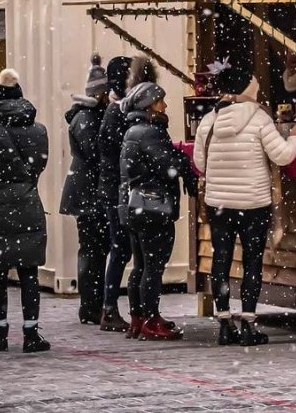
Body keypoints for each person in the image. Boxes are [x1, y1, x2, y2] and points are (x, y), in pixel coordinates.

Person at [194, 66, 296, 346]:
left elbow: (199, 163)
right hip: (253, 204)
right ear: (246, 89)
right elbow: (283, 156)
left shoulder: (210, 120)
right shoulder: (260, 120)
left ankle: (224, 322)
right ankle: (249, 324)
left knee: (221, 260)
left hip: (219, 203)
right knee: (252, 262)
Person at [0, 69, 50, 353]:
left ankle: (0, 334)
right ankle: (31, 335)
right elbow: (40, 164)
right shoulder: (39, 130)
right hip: (28, 204)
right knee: (29, 272)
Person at [120, 80, 196, 341]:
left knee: (140, 265)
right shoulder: (150, 132)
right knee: (153, 266)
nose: (165, 104)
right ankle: (151, 320)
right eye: (160, 100)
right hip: (153, 207)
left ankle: (138, 318)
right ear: (149, 105)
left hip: (136, 207)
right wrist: (183, 159)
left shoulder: (133, 131)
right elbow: (167, 167)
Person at [59, 54, 109, 325]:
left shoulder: (86, 116)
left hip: (86, 192)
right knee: (92, 250)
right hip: (88, 194)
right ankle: (91, 306)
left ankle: (91, 305)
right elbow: (94, 153)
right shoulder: (88, 118)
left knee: (93, 250)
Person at [98, 55, 133, 332]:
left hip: (115, 188)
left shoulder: (115, 110)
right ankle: (109, 307)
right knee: (121, 248)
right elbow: (115, 154)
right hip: (116, 190)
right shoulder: (116, 112)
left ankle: (110, 306)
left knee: (121, 249)